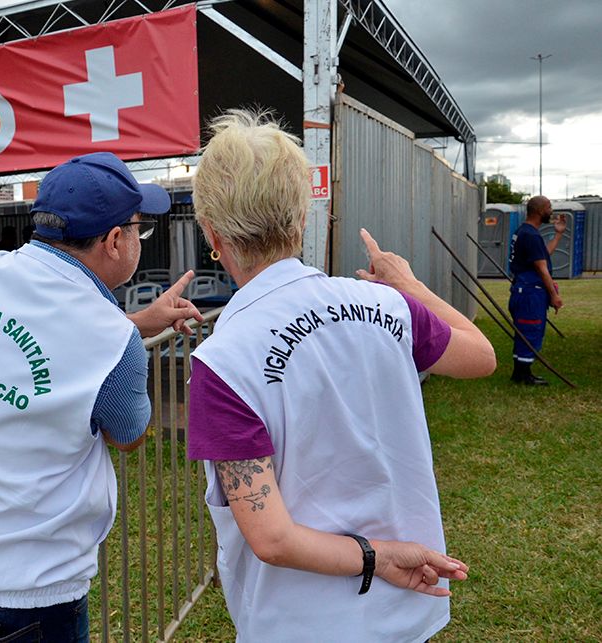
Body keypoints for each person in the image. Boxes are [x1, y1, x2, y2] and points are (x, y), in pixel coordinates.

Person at [186, 111, 496, 641]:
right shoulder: (387, 306)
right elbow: (481, 354)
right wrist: (410, 285)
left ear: (212, 233)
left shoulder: (223, 360)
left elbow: (273, 539)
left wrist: (377, 557)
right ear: (302, 218)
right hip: (405, 611)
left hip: (299, 621)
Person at [0, 152, 202, 641]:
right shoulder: (106, 339)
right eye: (140, 231)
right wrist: (127, 343)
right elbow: (128, 435)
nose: (140, 242)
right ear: (114, 240)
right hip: (24, 597)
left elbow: (27, 344)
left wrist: (132, 325)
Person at [508, 195, 565, 385]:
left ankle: (520, 373)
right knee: (530, 328)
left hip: (524, 291)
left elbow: (542, 256)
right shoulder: (530, 235)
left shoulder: (525, 231)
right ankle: (523, 376)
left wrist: (558, 235)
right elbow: (541, 268)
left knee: (524, 330)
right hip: (530, 293)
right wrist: (554, 295)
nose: (551, 210)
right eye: (549, 207)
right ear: (540, 211)